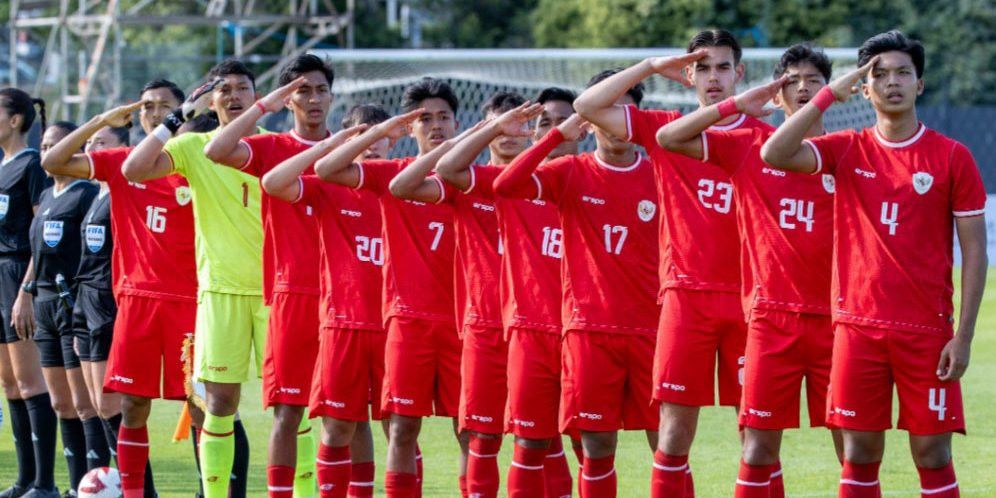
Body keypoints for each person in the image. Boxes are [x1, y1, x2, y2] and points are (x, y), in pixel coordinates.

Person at [760, 31, 987, 498]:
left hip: (926, 332)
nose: (892, 83)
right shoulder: (848, 147)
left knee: (933, 455)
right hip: (857, 330)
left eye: (903, 72)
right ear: (864, 90)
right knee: (860, 454)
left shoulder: (952, 157)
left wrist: (962, 337)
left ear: (920, 84)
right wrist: (825, 96)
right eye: (878, 75)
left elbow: (976, 253)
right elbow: (774, 153)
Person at [574, 30, 771, 498]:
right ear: (688, 76)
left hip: (751, 301)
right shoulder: (665, 128)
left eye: (723, 67)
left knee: (758, 435)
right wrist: (647, 67)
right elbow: (587, 107)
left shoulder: (768, 141)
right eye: (703, 68)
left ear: (739, 73)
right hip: (686, 300)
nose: (714, 77)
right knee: (674, 433)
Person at [655, 43, 845, 497]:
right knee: (754, 446)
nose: (803, 89)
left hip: (840, 322)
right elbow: (670, 139)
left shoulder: (854, 153)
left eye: (814, 81)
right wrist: (736, 104)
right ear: (776, 96)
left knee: (855, 449)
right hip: (769, 319)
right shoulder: (748, 147)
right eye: (792, 82)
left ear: (832, 91)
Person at [493, 70, 661, 498]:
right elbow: (505, 185)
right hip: (589, 331)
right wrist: (552, 138)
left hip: (654, 332)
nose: (619, 124)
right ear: (591, 121)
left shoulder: (662, 174)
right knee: (595, 446)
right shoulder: (570, 172)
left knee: (668, 444)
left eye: (628, 114)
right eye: (608, 114)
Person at [40, 80, 204, 498]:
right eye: (147, 106)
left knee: (205, 409)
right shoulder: (122, 161)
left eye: (164, 106)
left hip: (193, 303)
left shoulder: (199, 159)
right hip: (136, 304)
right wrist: (100, 120)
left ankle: (213, 491)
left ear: (184, 112)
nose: (153, 113)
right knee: (132, 406)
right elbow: (55, 162)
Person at [204, 54, 348, 498]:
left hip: (345, 298)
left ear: (332, 94)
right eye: (302, 91)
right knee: (289, 411)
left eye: (321, 89)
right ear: (289, 100)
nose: (313, 98)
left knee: (348, 415)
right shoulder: (272, 149)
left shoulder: (348, 151)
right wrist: (263, 105)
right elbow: (217, 150)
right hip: (292, 296)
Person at [313, 78, 465, 498]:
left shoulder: (477, 181)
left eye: (444, 117)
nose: (436, 125)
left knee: (475, 431)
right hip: (405, 323)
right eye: (425, 119)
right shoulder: (391, 175)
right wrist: (379, 131)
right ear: (409, 129)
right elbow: (326, 170)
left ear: (457, 122)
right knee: (400, 427)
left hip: (464, 327)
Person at [122, 60, 264, 498]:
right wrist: (177, 115)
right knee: (218, 406)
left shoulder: (279, 147)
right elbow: (134, 169)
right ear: (211, 99)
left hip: (280, 293)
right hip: (219, 294)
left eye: (243, 88)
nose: (234, 95)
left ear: (257, 98)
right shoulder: (195, 147)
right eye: (225, 89)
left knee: (294, 408)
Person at [389, 92, 540, 498]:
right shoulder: (464, 183)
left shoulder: (549, 184)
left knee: (538, 436)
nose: (510, 131)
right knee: (469, 434)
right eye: (499, 123)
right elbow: (403, 186)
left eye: (445, 118)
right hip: (473, 327)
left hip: (534, 329)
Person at [433, 93, 576, 497]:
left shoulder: (565, 181)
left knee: (555, 437)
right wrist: (492, 127)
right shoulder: (487, 183)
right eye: (540, 122)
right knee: (483, 435)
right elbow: (432, 174)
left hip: (559, 329)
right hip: (489, 327)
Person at [30, 120, 101, 497]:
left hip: (72, 305)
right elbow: (37, 252)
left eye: (56, 145)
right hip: (42, 304)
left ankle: (99, 484)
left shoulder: (86, 192)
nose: (47, 152)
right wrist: (27, 290)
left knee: (86, 404)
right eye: (43, 146)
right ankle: (75, 487)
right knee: (61, 403)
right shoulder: (46, 195)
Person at [0, 89, 58, 498]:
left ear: (16, 119)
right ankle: (24, 480)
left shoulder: (33, 164)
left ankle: (45, 482)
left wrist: (27, 290)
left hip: (19, 273)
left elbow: (41, 233)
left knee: (29, 382)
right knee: (9, 384)